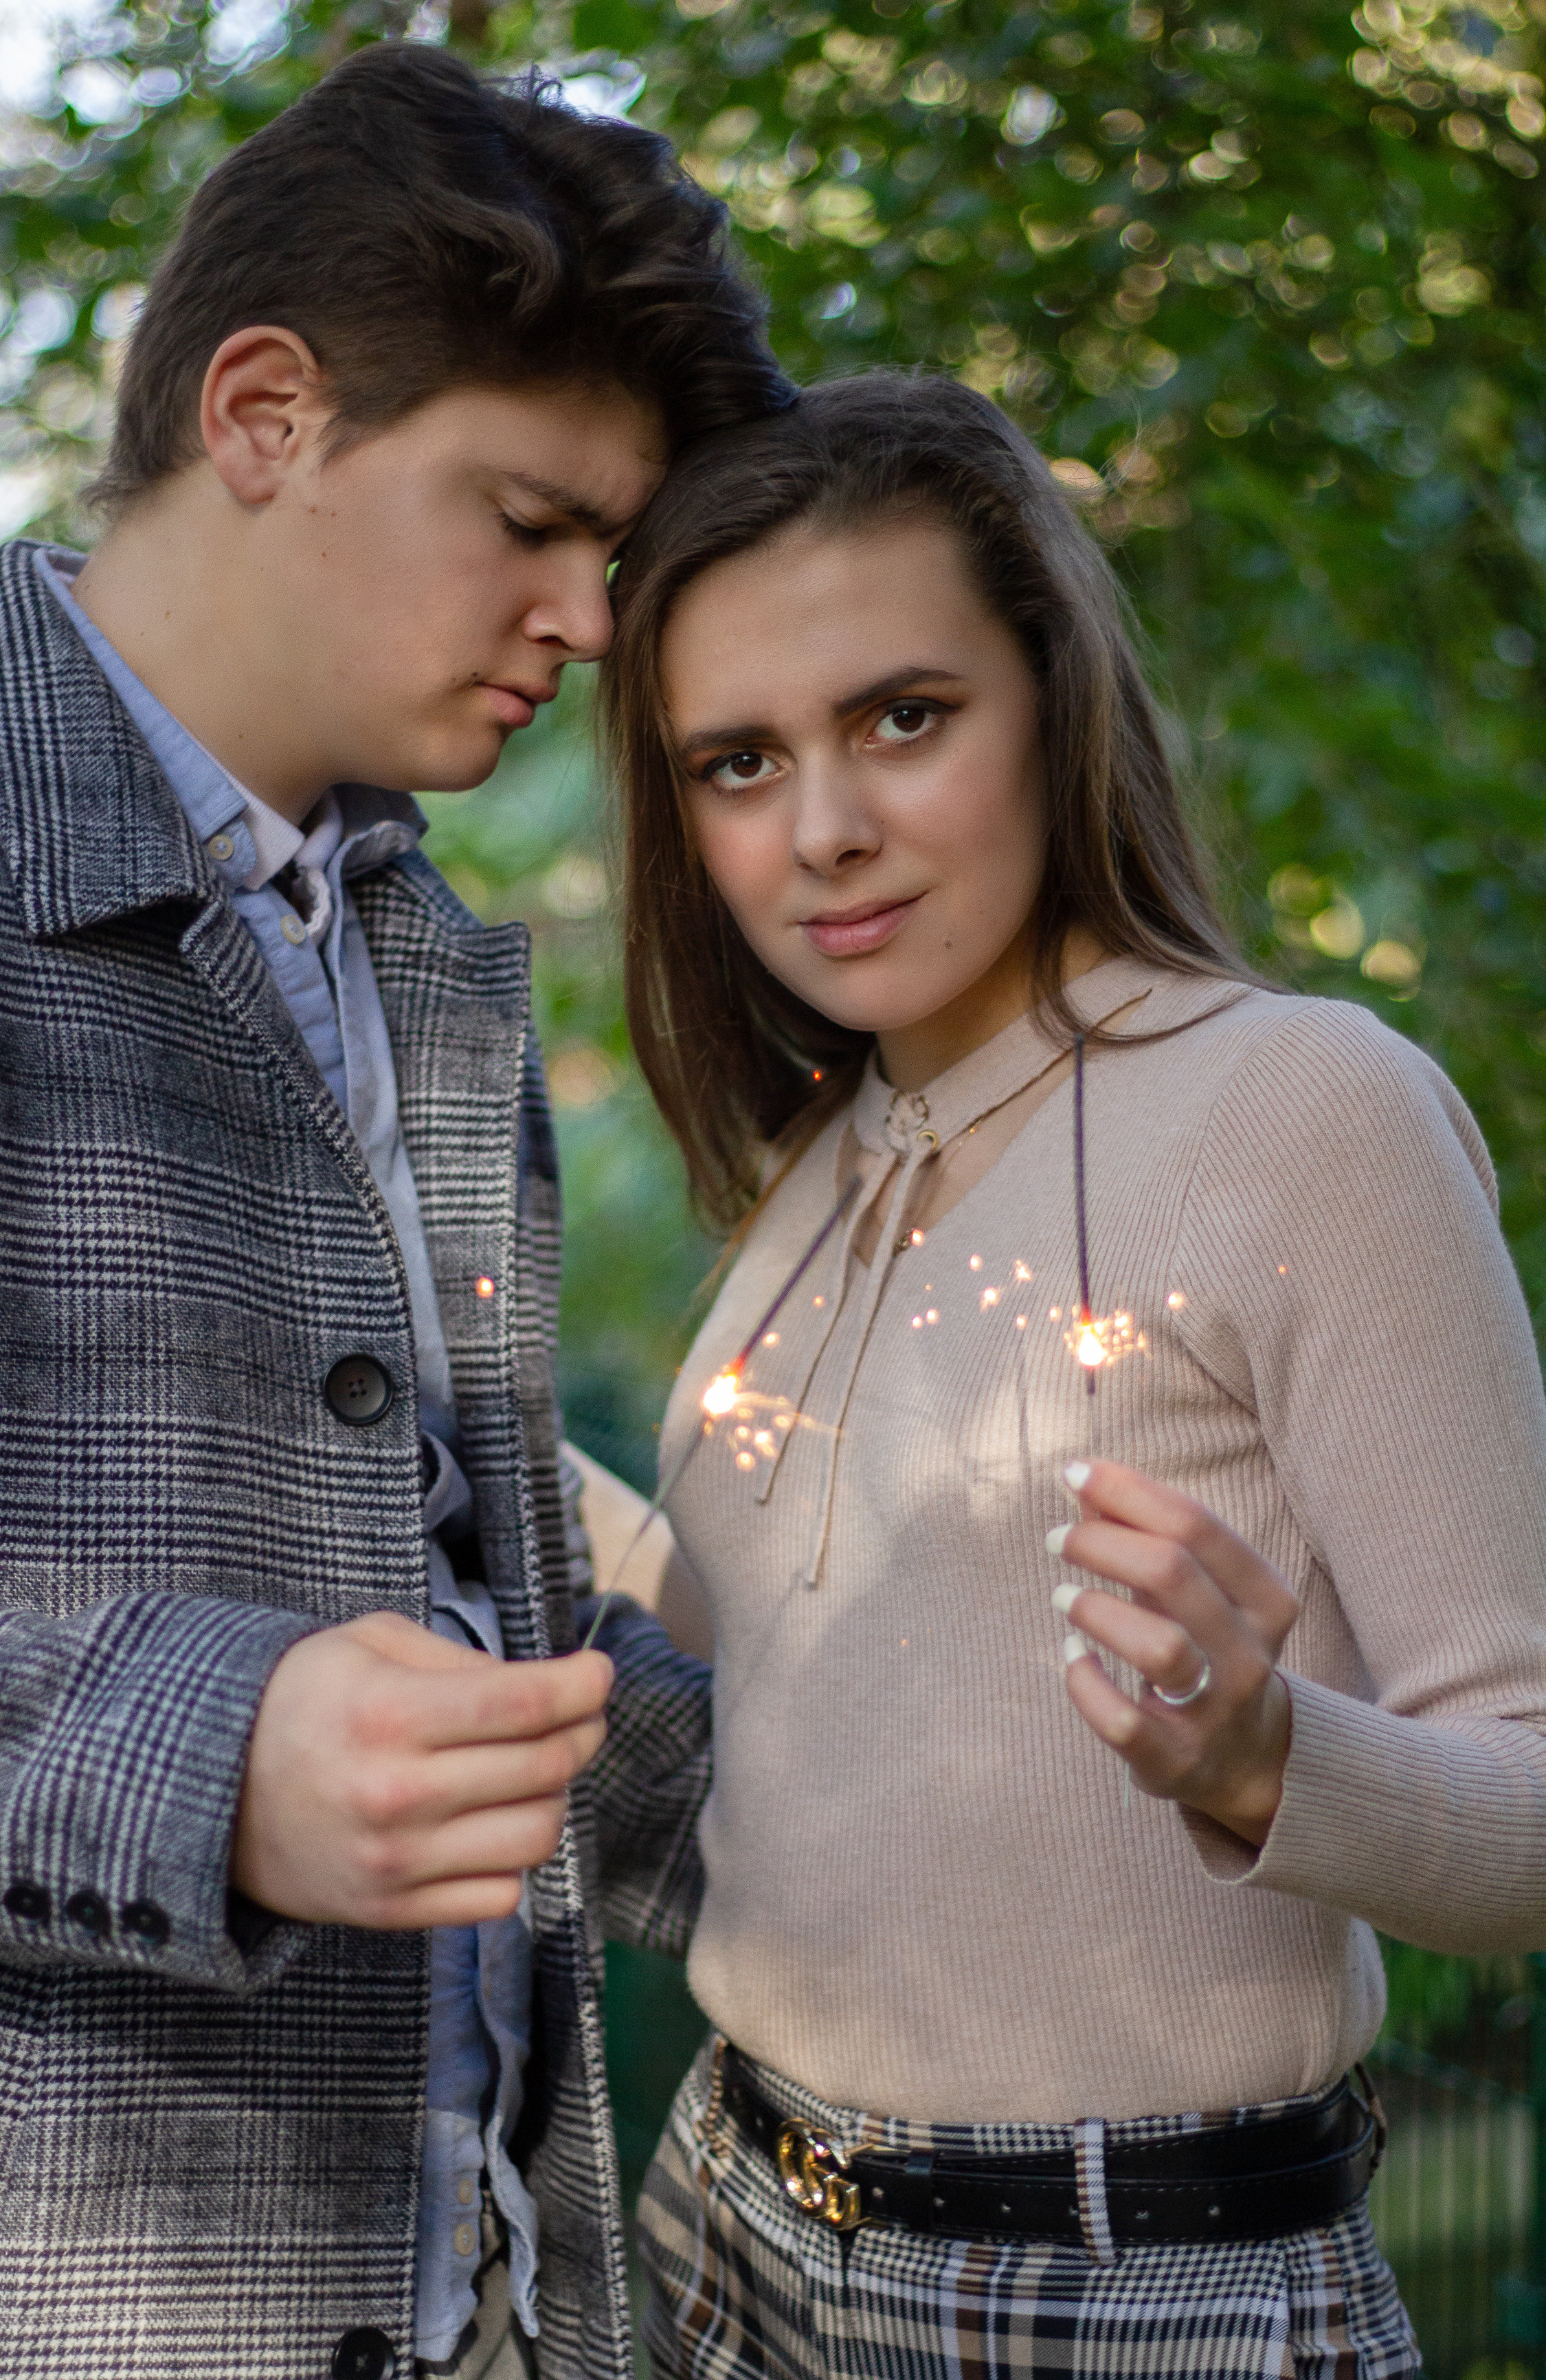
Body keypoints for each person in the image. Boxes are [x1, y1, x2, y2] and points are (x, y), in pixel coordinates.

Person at [0, 41, 783, 2380]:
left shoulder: (410, 943)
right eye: (530, 517)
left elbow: (453, 1592)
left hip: (489, 2296)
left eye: (613, 552)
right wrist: (209, 1763)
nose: (596, 620)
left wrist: (872, 1761)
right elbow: (268, 1720)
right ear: (262, 413)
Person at [596, 371, 1546, 2378]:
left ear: (1051, 697)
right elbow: (783, 1687)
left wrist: (1266, 1752)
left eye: (903, 718)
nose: (826, 829)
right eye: (738, 762)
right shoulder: (824, 1158)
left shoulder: (1305, 1108)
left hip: (1115, 2294)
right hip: (723, 2221)